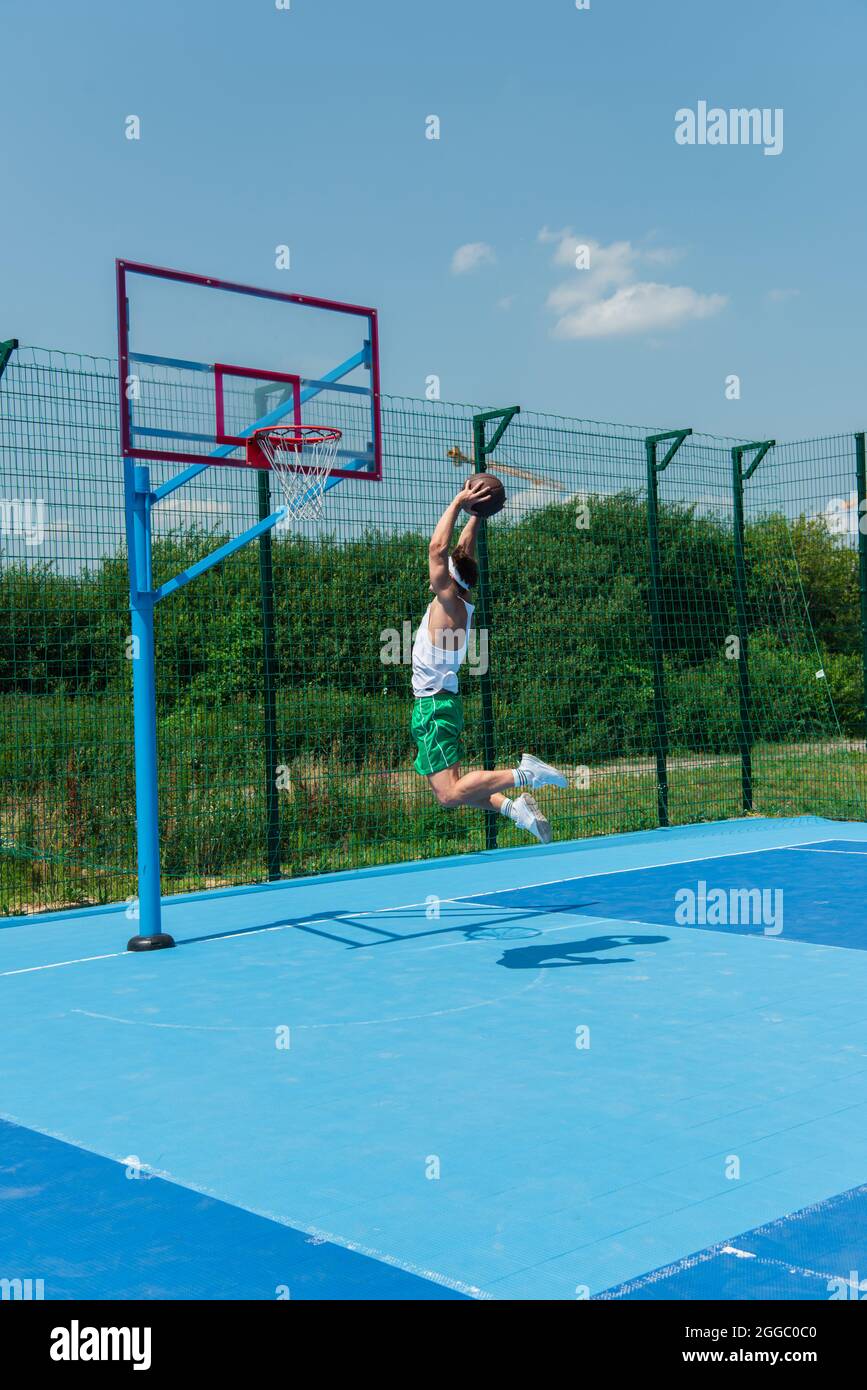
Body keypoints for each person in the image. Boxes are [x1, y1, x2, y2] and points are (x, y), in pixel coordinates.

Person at [410, 482, 567, 843]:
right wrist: (476, 516)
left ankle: (526, 774)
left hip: (433, 706)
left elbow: (437, 549)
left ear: (450, 576)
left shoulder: (448, 602)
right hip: (441, 703)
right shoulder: (460, 599)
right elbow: (460, 551)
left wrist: (458, 502)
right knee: (449, 790)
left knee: (450, 794)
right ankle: (515, 809)